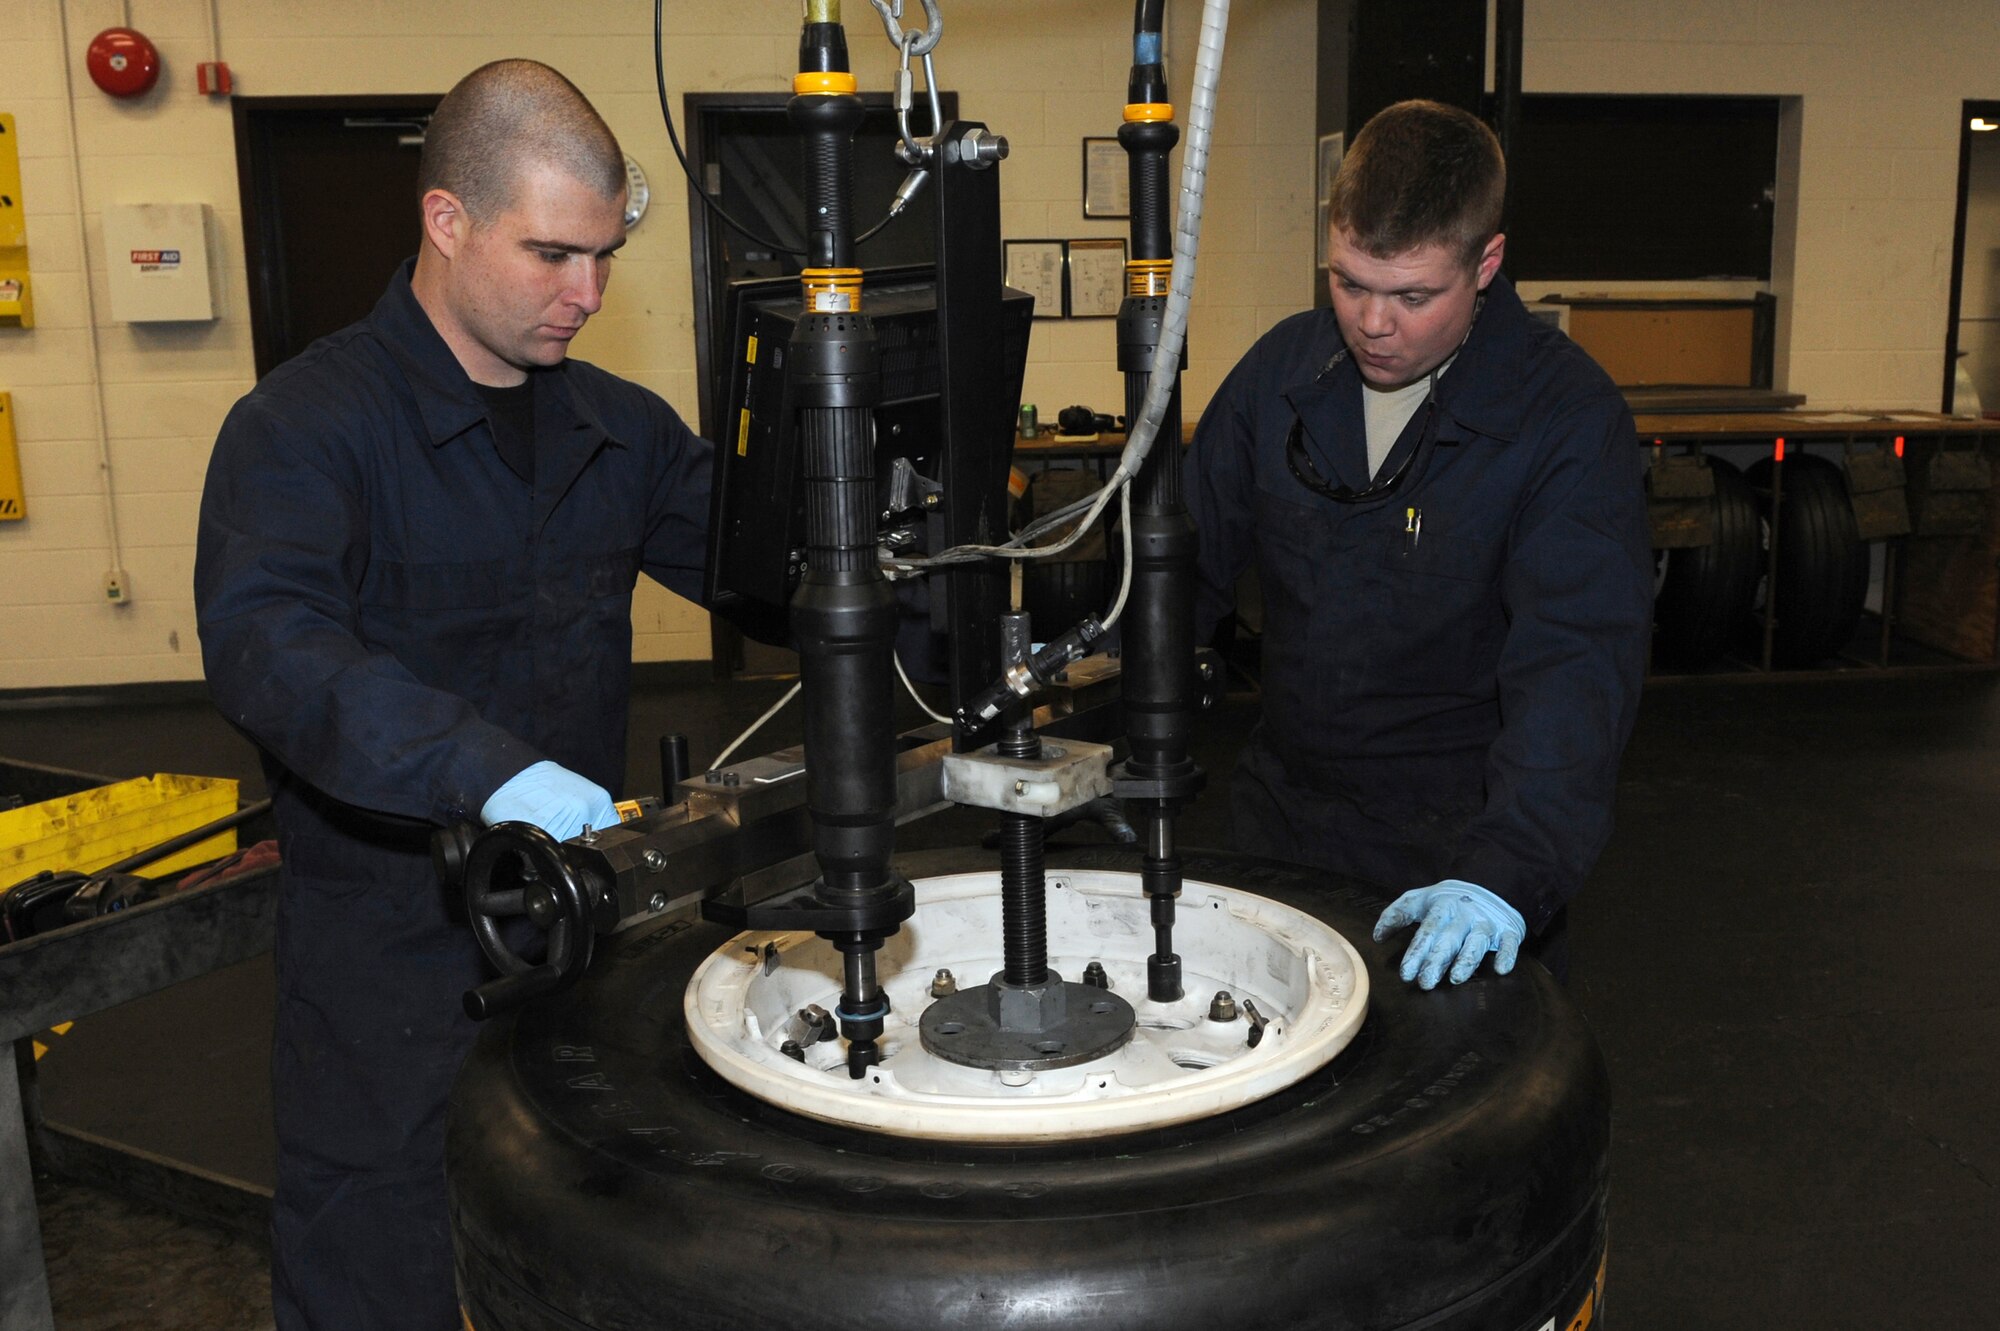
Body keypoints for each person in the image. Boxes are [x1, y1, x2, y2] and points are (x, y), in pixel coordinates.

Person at [194, 61, 712, 1330]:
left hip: (575, 925)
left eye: (603, 256)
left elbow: (769, 572)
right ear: (445, 220)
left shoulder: (620, 430)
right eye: (549, 254)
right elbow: (273, 643)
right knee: (377, 1261)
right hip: (387, 949)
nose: (584, 295)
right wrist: (478, 767)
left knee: (583, 1244)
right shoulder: (305, 429)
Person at [1186, 100, 1651, 991]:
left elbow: (1577, 668)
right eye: (1349, 281)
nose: (1372, 322)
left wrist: (1505, 874)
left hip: (1457, 850)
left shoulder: (1565, 421)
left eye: (1412, 295)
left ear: (1487, 263)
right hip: (1283, 831)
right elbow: (1177, 575)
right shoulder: (1282, 374)